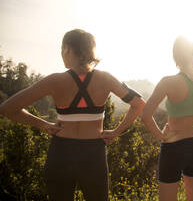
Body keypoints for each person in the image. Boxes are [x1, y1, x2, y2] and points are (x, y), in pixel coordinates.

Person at [0, 29, 145, 201]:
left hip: (61, 154)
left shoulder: (54, 80)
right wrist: (116, 131)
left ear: (68, 49)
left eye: (62, 50)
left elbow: (8, 108)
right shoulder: (106, 79)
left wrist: (43, 125)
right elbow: (139, 104)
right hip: (93, 155)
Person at [141, 36, 193, 201]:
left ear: (175, 57)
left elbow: (146, 115)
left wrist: (161, 135)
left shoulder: (168, 82)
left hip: (173, 146)